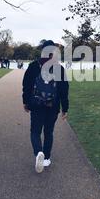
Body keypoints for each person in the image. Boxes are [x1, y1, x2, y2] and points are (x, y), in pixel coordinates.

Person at [22, 40, 69, 173]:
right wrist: (65, 108)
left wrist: (25, 102)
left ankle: (38, 153)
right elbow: (64, 90)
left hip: (36, 104)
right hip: (52, 105)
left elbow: (26, 86)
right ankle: (46, 157)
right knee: (49, 132)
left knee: (35, 131)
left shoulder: (33, 66)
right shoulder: (59, 68)